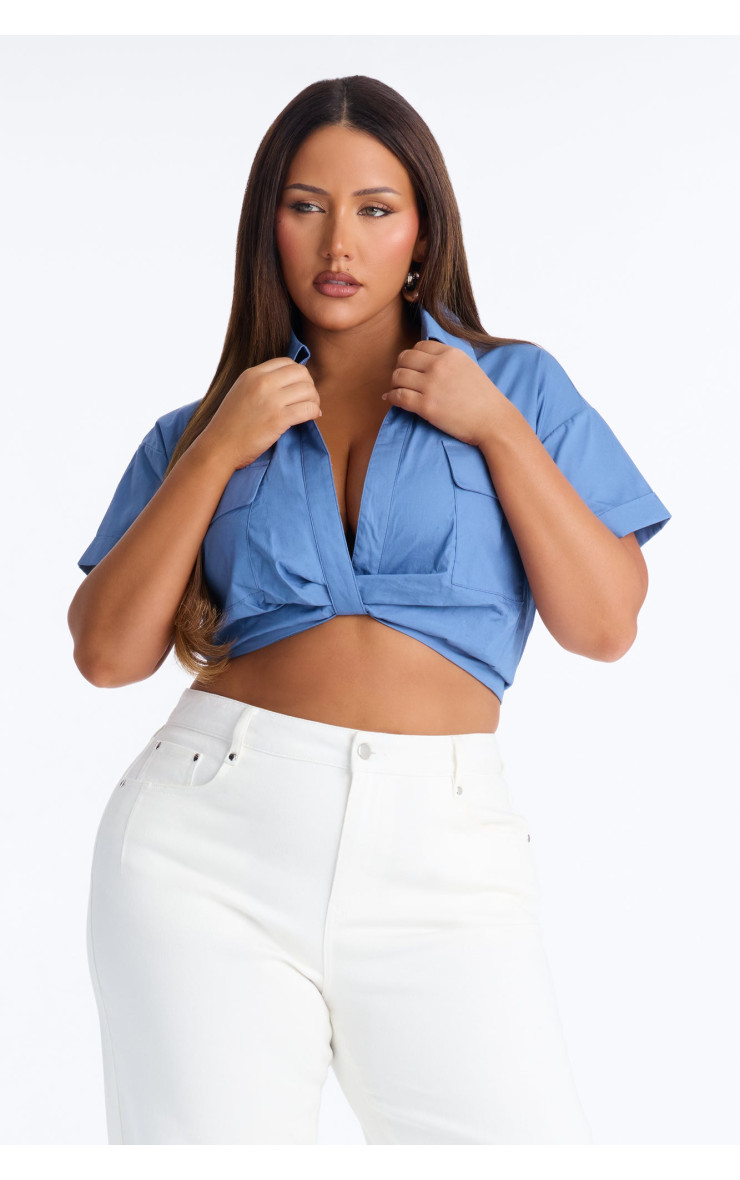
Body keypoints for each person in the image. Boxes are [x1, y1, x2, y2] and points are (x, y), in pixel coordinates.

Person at [68, 75, 671, 1146]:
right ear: (268, 228)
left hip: (445, 856)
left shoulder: (518, 386)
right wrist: (217, 449)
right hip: (205, 844)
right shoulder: (201, 426)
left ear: (421, 234)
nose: (336, 242)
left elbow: (605, 625)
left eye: (373, 208)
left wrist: (494, 426)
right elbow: (107, 653)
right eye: (304, 206)